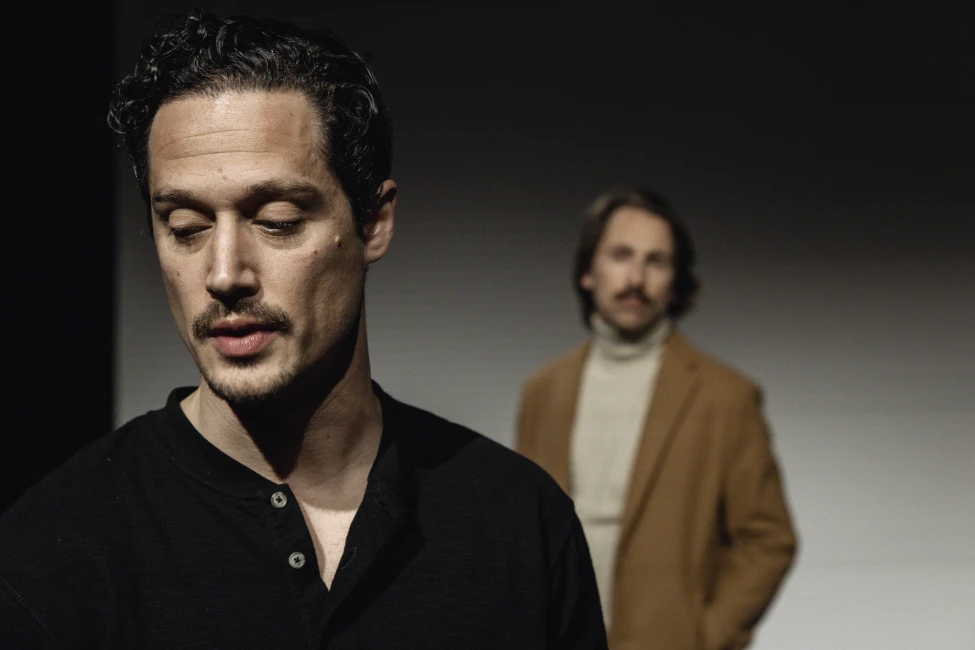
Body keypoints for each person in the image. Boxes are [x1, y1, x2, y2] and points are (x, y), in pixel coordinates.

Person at [0, 12, 607, 649]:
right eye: (186, 227)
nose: (225, 274)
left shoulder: (519, 521)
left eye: (279, 220)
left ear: (373, 222)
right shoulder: (50, 557)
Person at [515, 189, 798, 650]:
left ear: (676, 281)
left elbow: (769, 539)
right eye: (621, 255)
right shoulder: (544, 391)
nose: (636, 278)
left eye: (657, 261)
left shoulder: (724, 397)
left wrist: (705, 636)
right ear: (588, 270)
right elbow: (524, 534)